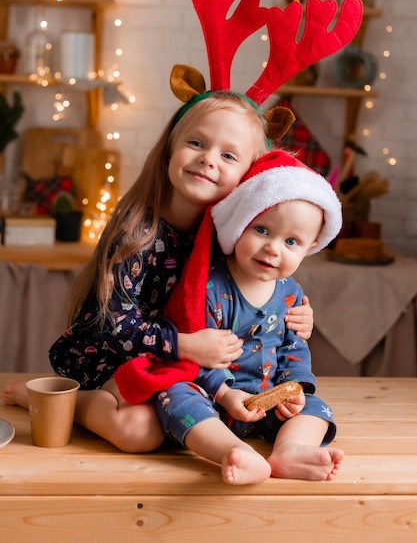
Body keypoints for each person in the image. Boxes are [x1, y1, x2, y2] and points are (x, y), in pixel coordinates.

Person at [1, 93, 314, 453]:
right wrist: (183, 344)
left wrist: (297, 314)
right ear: (169, 149)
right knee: (141, 433)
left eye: (228, 155)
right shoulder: (137, 234)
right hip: (117, 353)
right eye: (196, 143)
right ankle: (57, 398)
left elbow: (262, 292)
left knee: (190, 422)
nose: (207, 159)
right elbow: (113, 325)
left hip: (189, 369)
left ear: (250, 178)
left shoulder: (235, 240)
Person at [116, 150, 344, 484]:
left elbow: (293, 350)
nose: (273, 248)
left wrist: (293, 389)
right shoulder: (208, 286)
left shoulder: (291, 293)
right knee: (174, 397)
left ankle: (290, 449)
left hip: (268, 400)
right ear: (240, 224)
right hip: (213, 399)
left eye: (291, 241)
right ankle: (232, 452)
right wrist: (224, 394)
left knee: (317, 407)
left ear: (308, 249)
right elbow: (198, 351)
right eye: (262, 230)